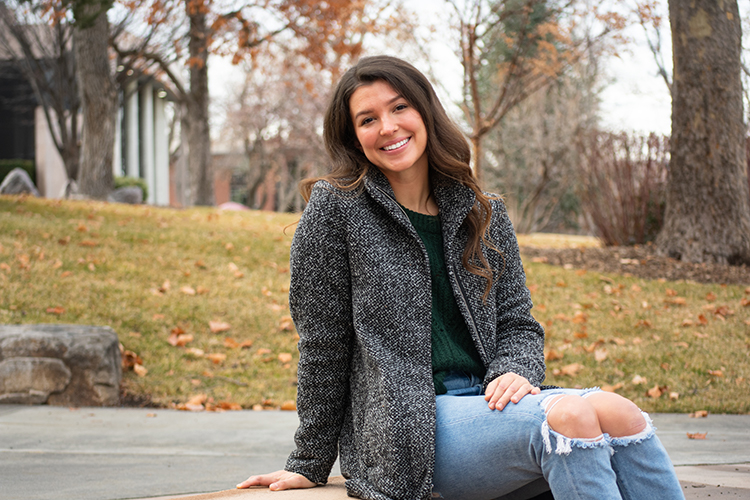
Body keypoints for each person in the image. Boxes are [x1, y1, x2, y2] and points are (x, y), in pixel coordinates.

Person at [237, 55, 685, 500]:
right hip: (409, 429)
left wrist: (514, 368)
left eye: (399, 108)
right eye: (368, 119)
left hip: (489, 402)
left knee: (620, 412)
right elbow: (323, 344)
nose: (388, 127)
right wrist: (308, 463)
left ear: (424, 111)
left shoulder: (481, 210)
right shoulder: (337, 208)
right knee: (569, 418)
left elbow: (518, 323)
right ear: (354, 138)